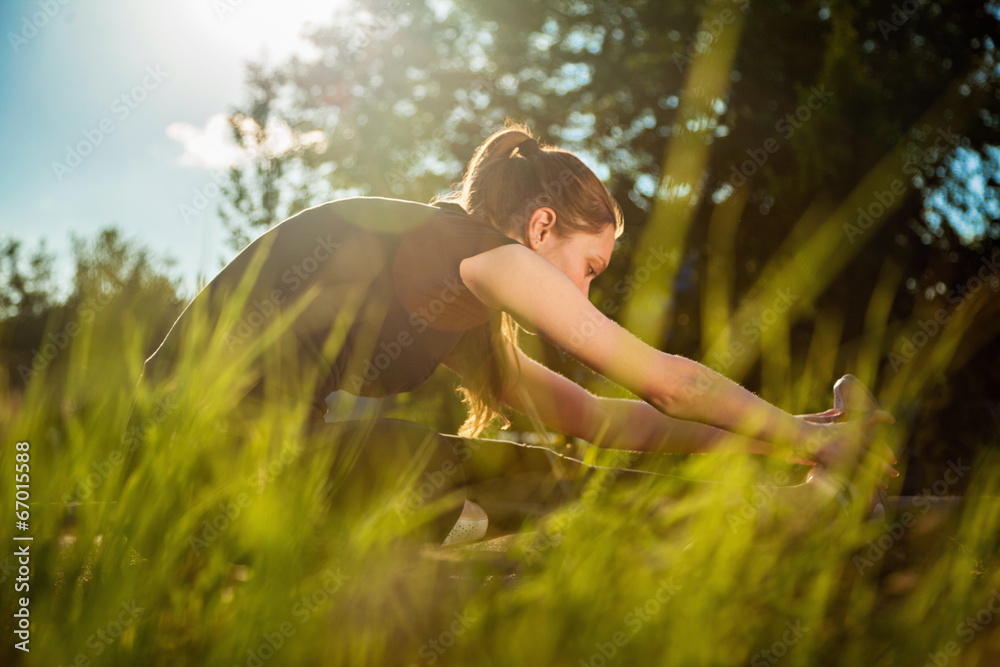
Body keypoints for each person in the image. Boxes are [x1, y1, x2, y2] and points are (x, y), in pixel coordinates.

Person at [121, 123, 897, 546]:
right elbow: (666, 381)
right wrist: (802, 434)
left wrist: (779, 438)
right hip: (188, 457)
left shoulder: (455, 292)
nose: (586, 291)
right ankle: (796, 514)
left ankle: (791, 499)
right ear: (542, 224)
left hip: (238, 465)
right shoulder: (474, 251)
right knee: (472, 469)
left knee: (521, 467)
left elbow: (599, 419)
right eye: (589, 266)